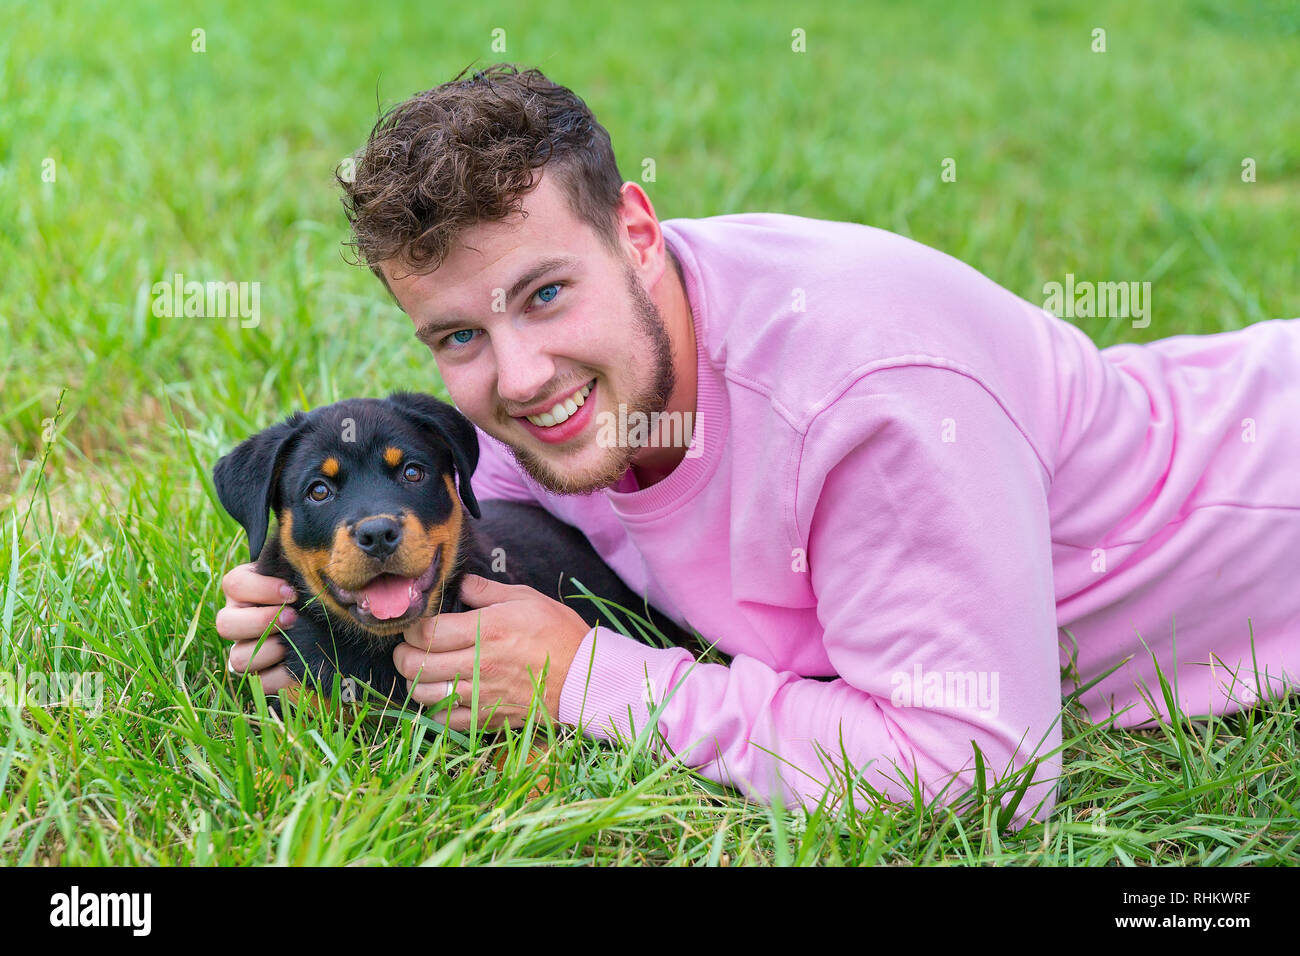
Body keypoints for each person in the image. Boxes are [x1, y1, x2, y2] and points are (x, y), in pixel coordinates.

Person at [217, 63, 1300, 825]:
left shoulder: (868, 400)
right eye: (460, 334)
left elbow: (981, 772)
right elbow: (465, 517)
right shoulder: (566, 393)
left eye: (546, 293)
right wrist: (300, 613)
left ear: (636, 232)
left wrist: (595, 677)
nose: (519, 375)